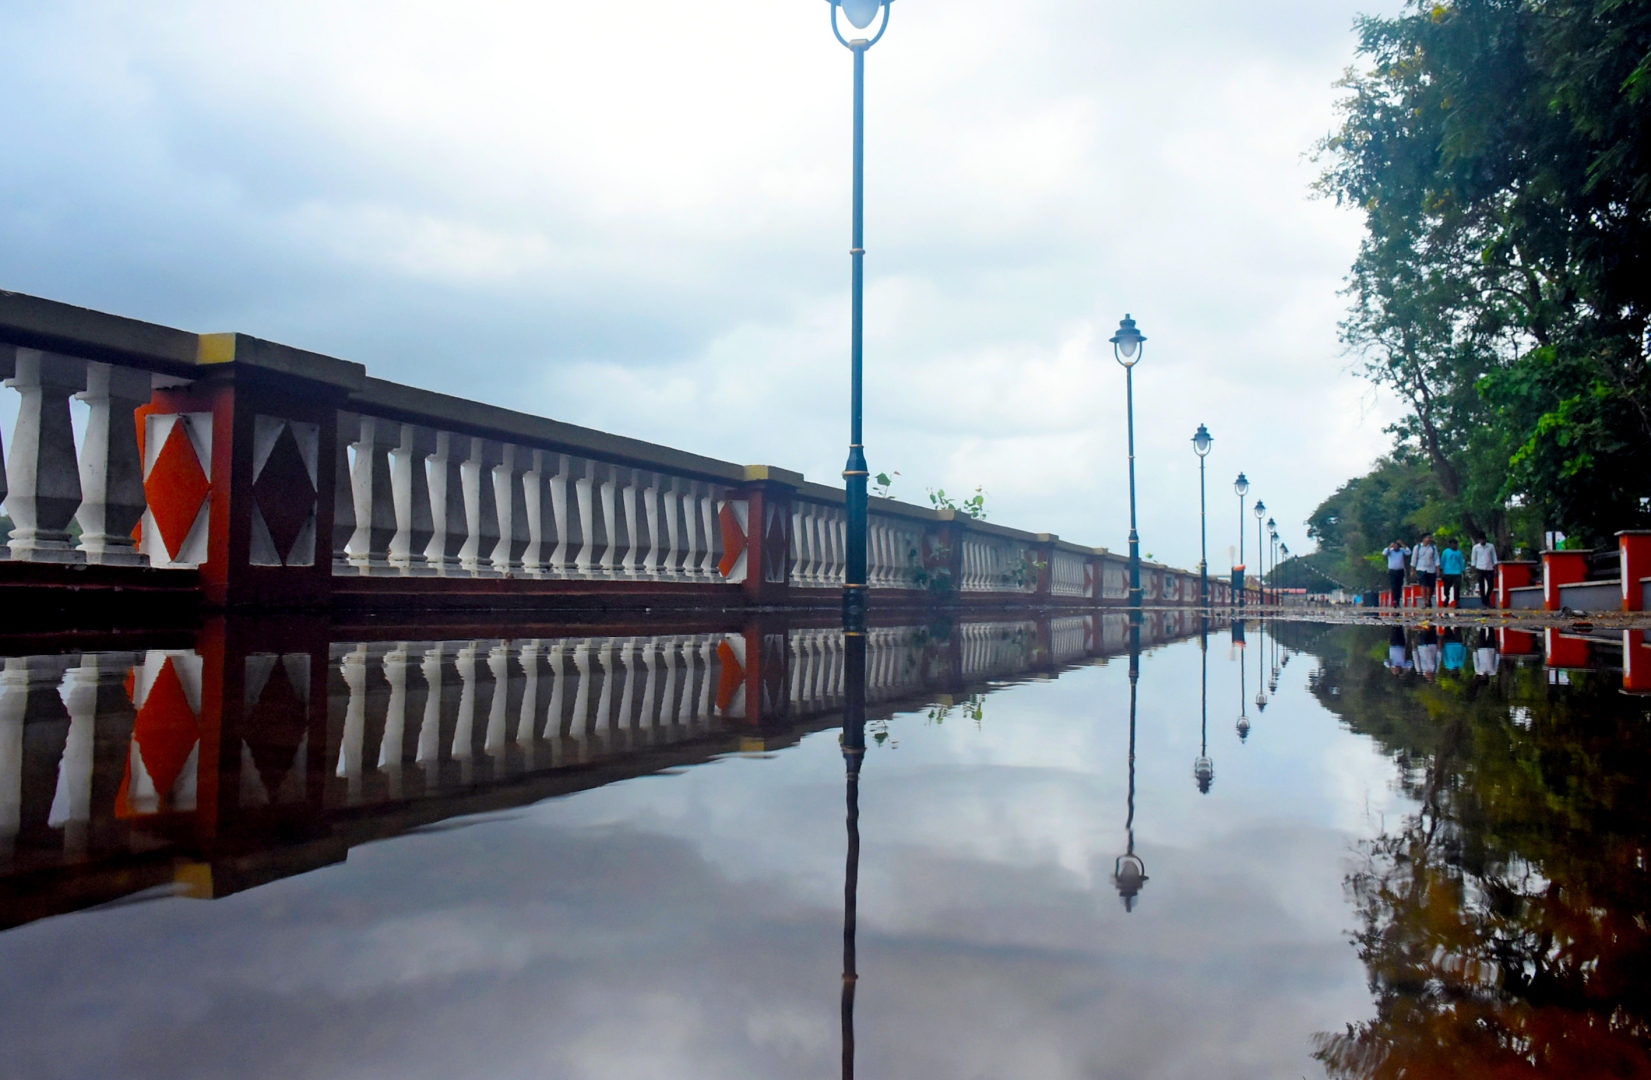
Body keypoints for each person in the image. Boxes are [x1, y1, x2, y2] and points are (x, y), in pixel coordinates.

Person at [1413, 534, 1440, 607]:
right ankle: (1425, 602)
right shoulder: (1417, 547)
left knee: (1430, 587)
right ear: (1424, 539)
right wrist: (1413, 569)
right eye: (1428, 537)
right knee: (1423, 585)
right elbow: (1414, 559)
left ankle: (1429, 599)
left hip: (1431, 569)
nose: (1430, 539)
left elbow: (1436, 559)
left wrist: (1438, 569)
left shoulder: (1433, 548)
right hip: (1420, 568)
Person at [1471, 535, 1499, 604]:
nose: (1482, 541)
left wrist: (1496, 569)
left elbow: (1494, 557)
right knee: (1481, 586)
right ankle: (1484, 602)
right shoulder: (1475, 548)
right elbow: (1473, 559)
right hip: (1479, 568)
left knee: (1491, 585)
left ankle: (1487, 597)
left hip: (1489, 568)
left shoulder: (1491, 546)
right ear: (1478, 540)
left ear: (1486, 539)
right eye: (1481, 540)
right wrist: (1473, 569)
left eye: (1483, 540)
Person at [1384, 540, 1410, 607]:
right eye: (1394, 545)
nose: (1396, 546)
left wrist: (1402, 544)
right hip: (1392, 571)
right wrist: (1390, 547)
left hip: (1400, 570)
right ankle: (1395, 600)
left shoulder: (1401, 550)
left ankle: (1397, 600)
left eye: (1397, 545)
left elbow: (1409, 552)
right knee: (1394, 586)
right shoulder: (1390, 551)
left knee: (1399, 586)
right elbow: (1384, 553)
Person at [1440, 538, 1465, 606]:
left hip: (1457, 572)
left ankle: (1456, 601)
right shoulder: (1445, 552)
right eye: (1453, 544)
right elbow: (1442, 561)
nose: (1455, 546)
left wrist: (1463, 571)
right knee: (1447, 587)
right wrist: (1441, 570)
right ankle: (1447, 597)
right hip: (1447, 572)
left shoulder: (1459, 553)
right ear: (1450, 544)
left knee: (1457, 587)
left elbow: (1461, 562)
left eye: (1456, 544)